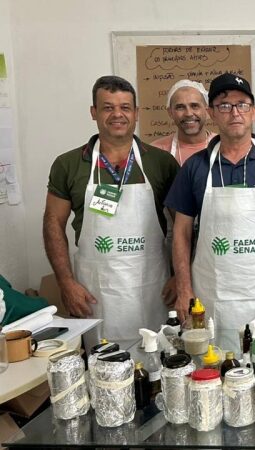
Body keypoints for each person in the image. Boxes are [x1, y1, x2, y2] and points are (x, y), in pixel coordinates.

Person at [43, 75, 179, 342]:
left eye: (125, 107)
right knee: (102, 366)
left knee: (157, 362)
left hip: (154, 290)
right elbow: (52, 223)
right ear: (94, 112)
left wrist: (180, 278)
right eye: (108, 107)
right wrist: (66, 282)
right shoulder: (69, 164)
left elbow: (184, 227)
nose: (117, 114)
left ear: (136, 113)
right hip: (95, 294)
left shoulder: (161, 163)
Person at [165, 74, 255, 349]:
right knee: (213, 367)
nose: (235, 112)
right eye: (224, 106)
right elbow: (181, 233)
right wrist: (184, 289)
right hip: (212, 296)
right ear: (212, 113)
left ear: (254, 111)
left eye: (242, 104)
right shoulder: (195, 168)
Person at [150, 79, 216, 166]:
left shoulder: (224, 146)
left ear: (207, 110)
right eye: (180, 107)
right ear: (170, 112)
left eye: (194, 106)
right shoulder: (155, 152)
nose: (188, 113)